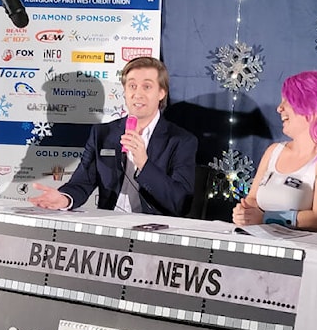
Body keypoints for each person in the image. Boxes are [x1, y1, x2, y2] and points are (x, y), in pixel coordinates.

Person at [29, 56, 197, 216]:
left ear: (161, 93)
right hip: (110, 228)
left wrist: (144, 164)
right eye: (132, 86)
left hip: (153, 232)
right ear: (124, 91)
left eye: (146, 87)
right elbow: (82, 182)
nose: (137, 94)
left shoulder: (181, 141)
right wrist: (65, 198)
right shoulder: (102, 134)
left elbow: (180, 203)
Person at [233, 70, 317, 233]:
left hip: (310, 251)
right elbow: (252, 200)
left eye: (287, 101)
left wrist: (267, 218)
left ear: (312, 107)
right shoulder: (273, 152)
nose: (279, 108)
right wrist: (244, 213)